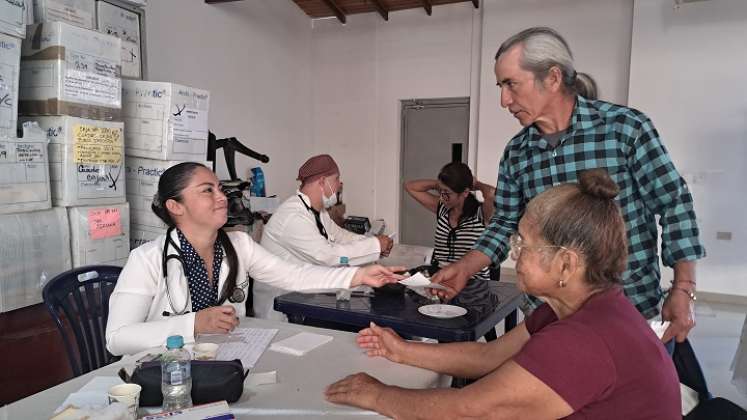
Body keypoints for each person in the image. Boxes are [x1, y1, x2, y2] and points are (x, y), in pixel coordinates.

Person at [325, 169, 681, 419]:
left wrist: (377, 394)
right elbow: (489, 357)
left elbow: (472, 410)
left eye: (523, 244)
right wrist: (400, 350)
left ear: (566, 264)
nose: (514, 254)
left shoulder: (583, 339)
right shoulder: (578, 308)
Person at [432, 27, 704, 343]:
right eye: (501, 86)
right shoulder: (517, 153)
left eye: (511, 84)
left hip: (629, 311)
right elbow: (505, 222)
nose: (504, 100)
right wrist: (465, 267)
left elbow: (674, 202)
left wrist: (684, 288)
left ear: (553, 78)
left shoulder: (624, 130)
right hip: (550, 316)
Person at [106, 162, 402, 356]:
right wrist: (193, 324)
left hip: (227, 362)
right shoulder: (147, 260)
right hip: (167, 373)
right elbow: (117, 339)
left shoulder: (239, 245)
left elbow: (295, 275)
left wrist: (358, 276)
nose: (221, 196)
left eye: (220, 188)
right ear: (175, 206)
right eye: (207, 191)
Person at [257, 154, 393, 320]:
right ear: (322, 181)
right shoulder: (292, 217)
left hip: (303, 298)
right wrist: (375, 245)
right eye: (336, 179)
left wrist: (376, 245)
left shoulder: (316, 211)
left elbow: (339, 236)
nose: (339, 185)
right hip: (280, 308)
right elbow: (327, 255)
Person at [404, 162, 495, 301]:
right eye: (440, 193)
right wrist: (441, 185)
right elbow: (410, 186)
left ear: (465, 192)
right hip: (442, 280)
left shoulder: (481, 213)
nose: (442, 198)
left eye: (447, 194)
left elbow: (491, 193)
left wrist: (476, 184)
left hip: (474, 285)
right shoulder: (442, 208)